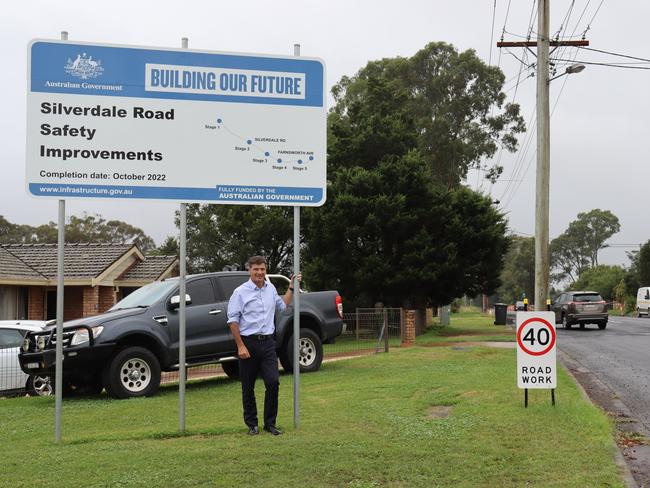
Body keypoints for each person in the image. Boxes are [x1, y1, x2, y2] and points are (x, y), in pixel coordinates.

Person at [227, 255, 299, 436]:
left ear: (266, 270)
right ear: (249, 270)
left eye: (262, 269)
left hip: (267, 343)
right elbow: (233, 321)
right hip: (248, 343)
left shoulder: (270, 289)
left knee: (273, 382)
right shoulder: (240, 292)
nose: (259, 272)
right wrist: (240, 346)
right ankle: (252, 424)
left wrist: (291, 287)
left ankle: (270, 423)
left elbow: (282, 306)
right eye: (256, 269)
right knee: (248, 386)